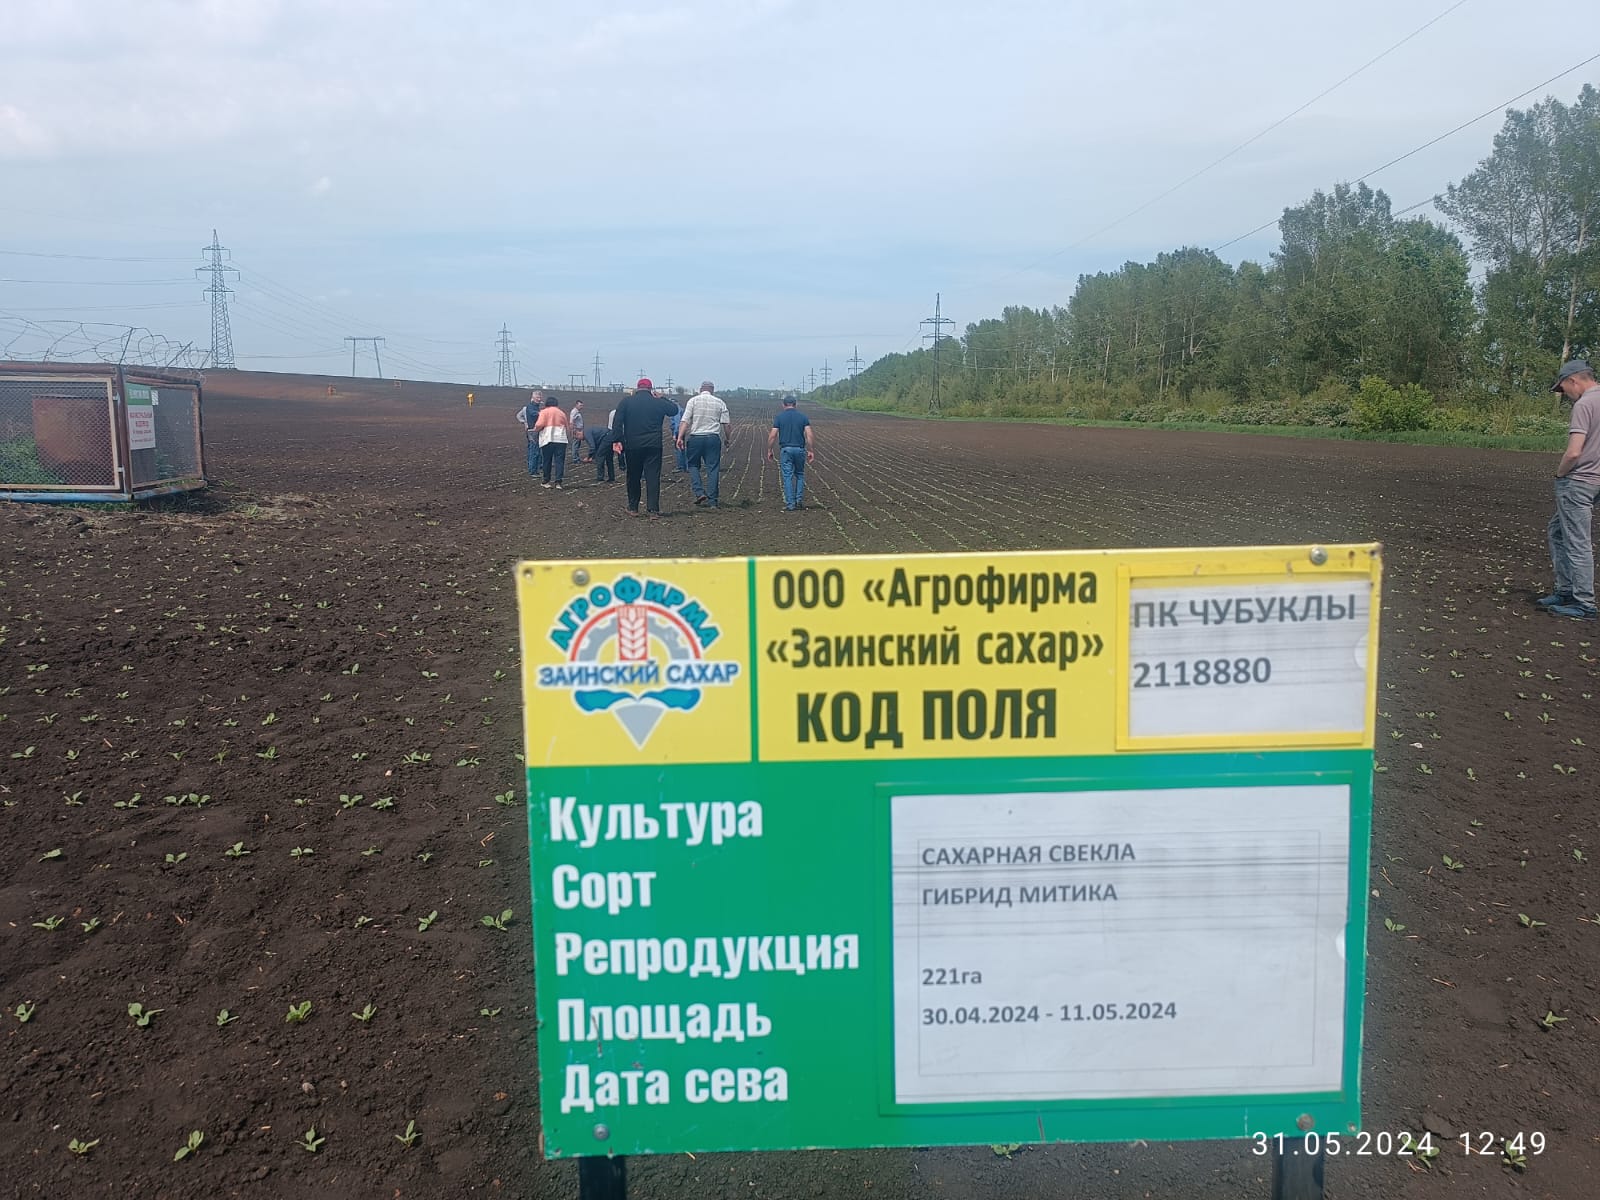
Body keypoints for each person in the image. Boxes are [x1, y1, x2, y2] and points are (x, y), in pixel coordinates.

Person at [1536, 359, 1600, 620]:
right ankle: (1565, 590)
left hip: (1579, 482)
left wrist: (1560, 474)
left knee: (1577, 541)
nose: (1565, 395)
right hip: (1597, 482)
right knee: (1558, 531)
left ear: (1573, 380)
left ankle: (1584, 602)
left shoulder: (1584, 404)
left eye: (1563, 389)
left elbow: (1574, 452)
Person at [613, 378, 678, 518]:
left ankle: (633, 508)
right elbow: (674, 410)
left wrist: (617, 440)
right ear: (650, 389)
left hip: (633, 445)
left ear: (637, 388)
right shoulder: (658, 402)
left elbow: (617, 422)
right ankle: (653, 510)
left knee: (633, 476)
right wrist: (663, 397)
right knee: (652, 476)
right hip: (653, 445)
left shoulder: (626, 402)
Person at [677, 380, 731, 508]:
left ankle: (699, 492)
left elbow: (685, 421)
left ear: (701, 389)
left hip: (696, 438)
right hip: (713, 438)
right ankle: (713, 501)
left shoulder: (693, 401)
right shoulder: (719, 402)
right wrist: (728, 439)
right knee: (713, 468)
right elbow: (727, 424)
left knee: (693, 465)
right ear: (712, 390)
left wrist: (680, 437)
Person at [767, 394, 814, 511]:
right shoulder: (803, 417)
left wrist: (769, 450)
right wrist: (810, 450)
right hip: (800, 449)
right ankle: (799, 501)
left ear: (783, 405)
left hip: (786, 450)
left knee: (787, 476)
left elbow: (772, 435)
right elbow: (809, 434)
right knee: (800, 474)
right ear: (795, 404)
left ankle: (790, 504)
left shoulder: (779, 417)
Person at [534, 397, 570, 489]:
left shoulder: (544, 412)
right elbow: (567, 426)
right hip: (561, 439)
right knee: (559, 461)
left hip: (548, 438)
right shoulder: (561, 413)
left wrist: (536, 429)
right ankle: (558, 482)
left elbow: (539, 424)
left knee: (547, 460)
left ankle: (546, 481)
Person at [516, 390, 545, 476]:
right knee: (534, 452)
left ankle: (535, 469)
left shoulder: (537, 407)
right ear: (533, 397)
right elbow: (533, 414)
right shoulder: (530, 407)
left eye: (540, 397)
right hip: (533, 431)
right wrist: (543, 413)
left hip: (536, 431)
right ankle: (533, 471)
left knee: (535, 451)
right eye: (537, 397)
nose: (539, 399)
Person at [588, 412, 617, 483]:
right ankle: (611, 477)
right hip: (611, 435)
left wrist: (590, 457)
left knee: (600, 456)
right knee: (609, 458)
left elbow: (592, 446)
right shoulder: (613, 413)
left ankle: (600, 477)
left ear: (578, 433)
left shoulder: (587, 432)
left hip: (607, 438)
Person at [670, 396, 689, 472]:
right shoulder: (681, 409)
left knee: (678, 448)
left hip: (678, 431)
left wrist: (675, 434)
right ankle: (686, 466)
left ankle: (680, 466)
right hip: (682, 430)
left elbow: (677, 423)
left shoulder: (676, 410)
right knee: (682, 447)